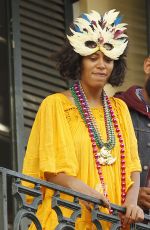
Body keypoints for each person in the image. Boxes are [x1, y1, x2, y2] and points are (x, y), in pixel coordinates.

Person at [22, 9, 144, 229]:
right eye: (93, 57)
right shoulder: (56, 104)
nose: (101, 65)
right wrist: (88, 193)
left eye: (108, 59)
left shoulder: (120, 109)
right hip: (66, 218)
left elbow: (133, 167)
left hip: (110, 221)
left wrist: (132, 203)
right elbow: (52, 171)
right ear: (78, 61)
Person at [115, 57, 150, 212]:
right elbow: (96, 166)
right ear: (148, 65)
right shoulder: (117, 109)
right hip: (117, 218)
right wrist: (133, 194)